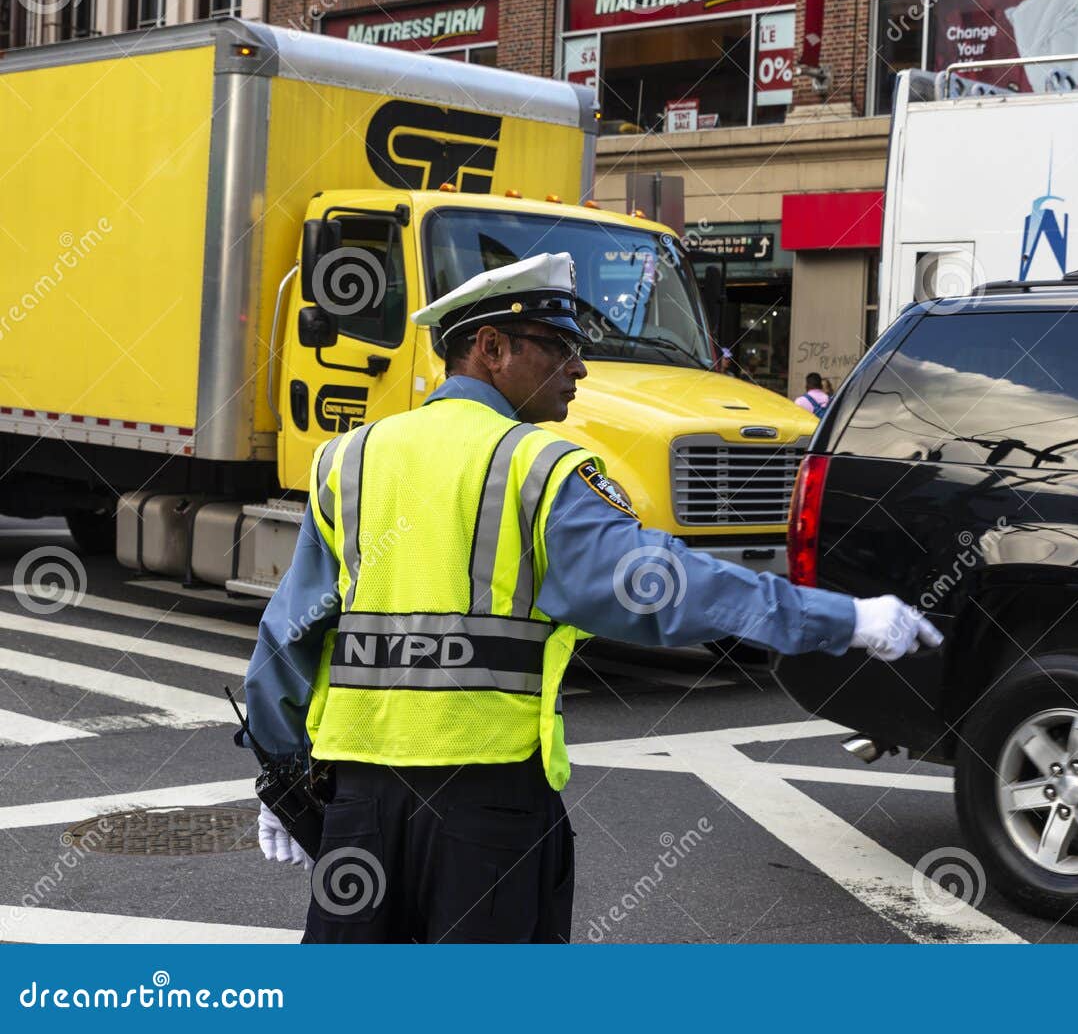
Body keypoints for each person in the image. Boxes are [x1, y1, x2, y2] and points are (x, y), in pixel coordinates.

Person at [240, 251, 940, 944]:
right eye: (558, 346)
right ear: (490, 349)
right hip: (486, 812)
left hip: (359, 809)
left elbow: (287, 639)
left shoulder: (351, 459)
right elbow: (666, 589)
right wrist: (843, 618)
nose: (578, 367)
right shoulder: (538, 468)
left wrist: (279, 777)